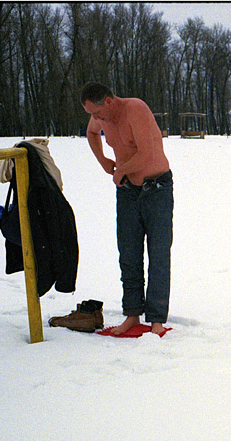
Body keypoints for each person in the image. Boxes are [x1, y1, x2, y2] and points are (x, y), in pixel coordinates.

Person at [80, 81, 173, 336]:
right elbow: (90, 134)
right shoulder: (101, 118)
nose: (96, 119)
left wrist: (120, 169)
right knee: (129, 254)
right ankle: (132, 314)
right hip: (127, 192)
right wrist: (103, 161)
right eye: (91, 115)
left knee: (158, 254)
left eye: (97, 113)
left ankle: (156, 319)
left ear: (108, 101)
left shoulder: (135, 110)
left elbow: (148, 154)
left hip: (157, 189)